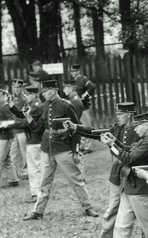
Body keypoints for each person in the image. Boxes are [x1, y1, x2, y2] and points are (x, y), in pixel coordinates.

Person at [81, 102, 148, 238]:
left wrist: (113, 144)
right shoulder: (117, 128)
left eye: (120, 114)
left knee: (142, 211)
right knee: (112, 208)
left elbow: (130, 155)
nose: (117, 117)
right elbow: (96, 133)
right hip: (117, 174)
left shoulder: (141, 132)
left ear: (128, 114)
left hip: (134, 176)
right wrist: (76, 128)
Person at [23, 78, 97, 220]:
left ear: (54, 91)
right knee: (44, 182)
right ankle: (38, 211)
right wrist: (28, 118)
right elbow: (38, 130)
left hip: (63, 148)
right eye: (43, 92)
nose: (43, 94)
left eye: (45, 91)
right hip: (47, 148)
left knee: (75, 179)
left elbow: (77, 128)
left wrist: (75, 150)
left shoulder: (65, 106)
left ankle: (87, 207)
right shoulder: (43, 106)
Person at [18, 81, 45, 203]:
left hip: (35, 140)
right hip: (33, 139)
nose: (25, 96)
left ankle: (37, 193)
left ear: (34, 95)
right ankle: (38, 192)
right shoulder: (34, 105)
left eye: (28, 94)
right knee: (36, 166)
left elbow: (24, 122)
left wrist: (8, 124)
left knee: (34, 168)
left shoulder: (36, 106)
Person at [70, 63, 97, 153]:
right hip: (77, 107)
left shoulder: (83, 79)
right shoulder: (74, 81)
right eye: (71, 71)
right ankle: (82, 146)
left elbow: (92, 86)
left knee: (86, 126)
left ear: (78, 71)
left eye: (73, 71)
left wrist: (86, 95)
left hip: (84, 106)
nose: (72, 73)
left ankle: (88, 147)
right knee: (80, 126)